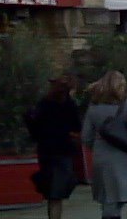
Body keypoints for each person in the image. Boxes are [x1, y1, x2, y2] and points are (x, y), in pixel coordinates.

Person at [82, 71, 127, 219]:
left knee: (107, 199)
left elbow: (86, 136)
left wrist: (97, 146)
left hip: (101, 156)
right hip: (122, 158)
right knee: (115, 203)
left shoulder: (93, 107)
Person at [26, 76, 81, 219]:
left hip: (46, 151)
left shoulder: (43, 104)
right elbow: (77, 127)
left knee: (52, 193)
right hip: (63, 151)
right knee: (58, 195)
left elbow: (34, 127)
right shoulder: (70, 106)